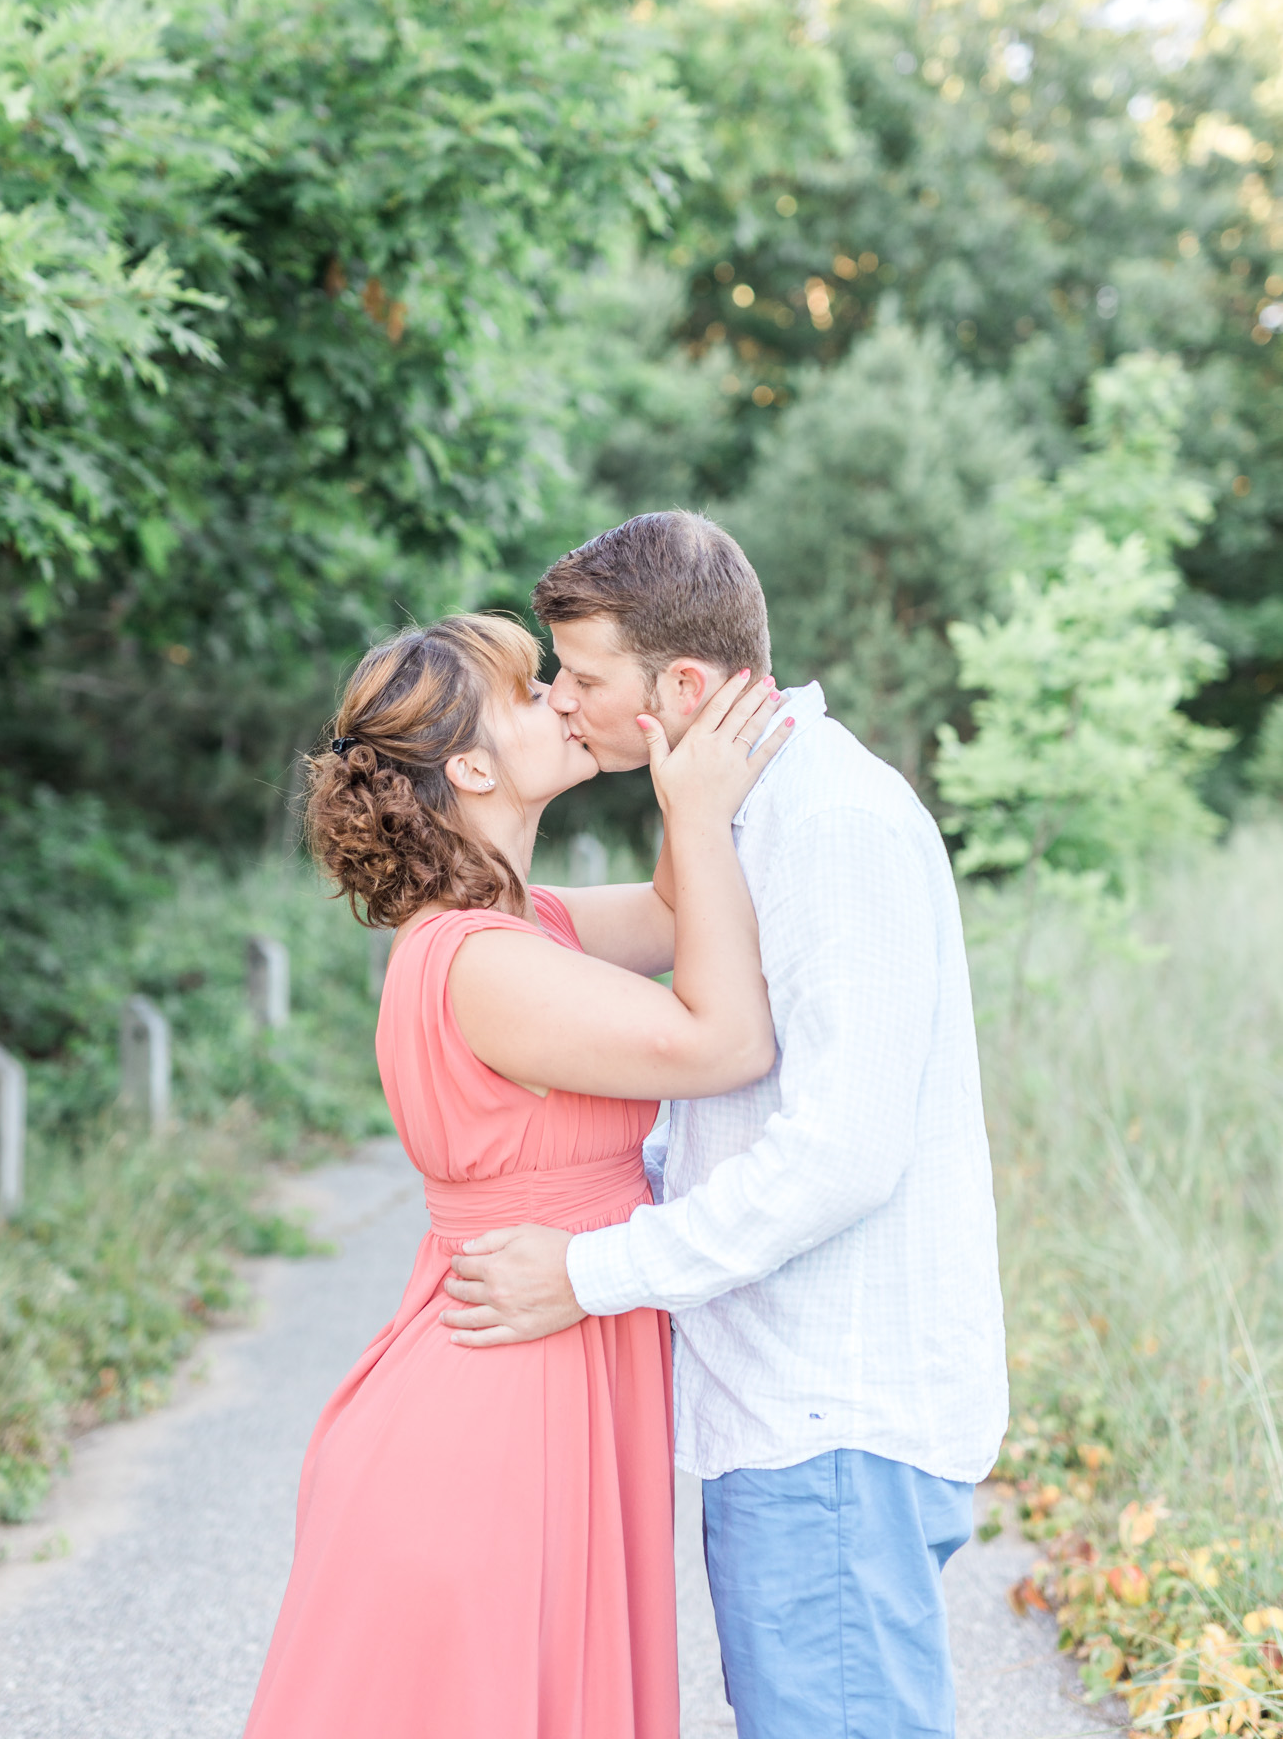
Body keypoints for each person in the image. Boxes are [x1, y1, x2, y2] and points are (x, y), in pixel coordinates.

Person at [443, 512, 1010, 1739]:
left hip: (832, 1416)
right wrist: (446, 901)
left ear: (682, 686)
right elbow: (632, 927)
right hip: (790, 1418)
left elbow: (842, 1151)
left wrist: (590, 1272)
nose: (564, 699)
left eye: (586, 677)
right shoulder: (750, 801)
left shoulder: (829, 823)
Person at [243, 611, 792, 1739]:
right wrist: (691, 806)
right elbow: (724, 1040)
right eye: (530, 688)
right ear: (473, 766)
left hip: (548, 1361)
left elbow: (672, 912)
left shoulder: (521, 922)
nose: (559, 698)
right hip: (498, 1411)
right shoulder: (483, 959)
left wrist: (677, 754)